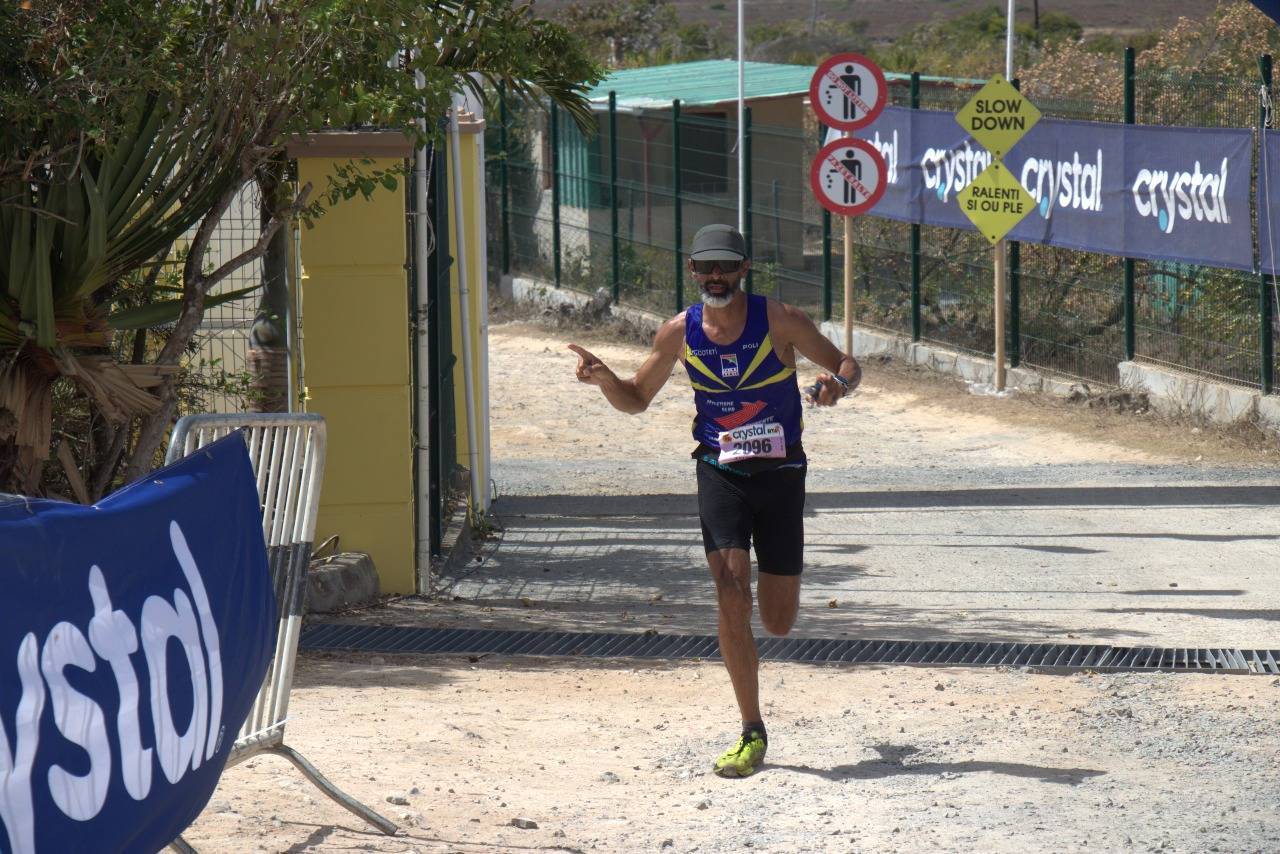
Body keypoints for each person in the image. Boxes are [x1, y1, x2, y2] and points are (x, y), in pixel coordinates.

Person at [567, 224, 861, 778]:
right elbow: (636, 398)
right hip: (719, 470)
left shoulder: (781, 320)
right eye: (706, 267)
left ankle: (764, 647)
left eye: (726, 265)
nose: (716, 276)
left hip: (782, 472)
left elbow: (847, 363)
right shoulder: (678, 332)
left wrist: (837, 387)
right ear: (692, 270)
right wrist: (606, 380)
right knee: (729, 588)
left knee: (777, 621)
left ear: (744, 268)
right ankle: (752, 728)